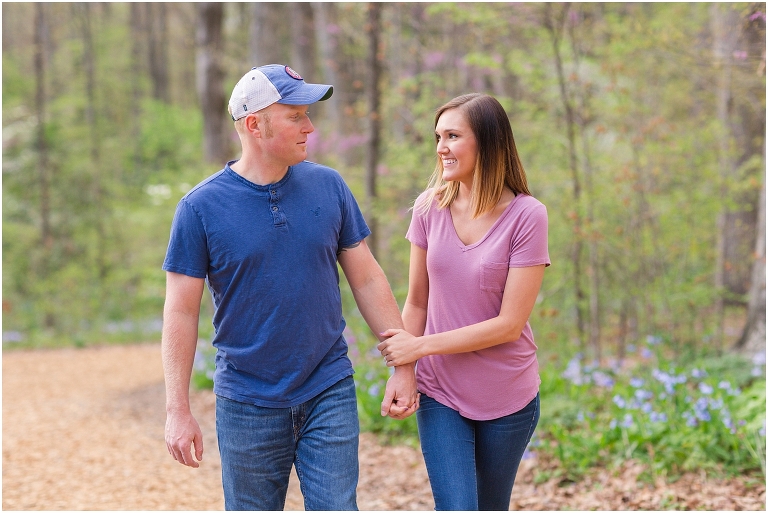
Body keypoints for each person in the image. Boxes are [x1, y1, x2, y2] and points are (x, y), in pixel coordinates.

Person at [161, 64, 417, 511]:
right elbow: (180, 311)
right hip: (246, 400)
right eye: (295, 116)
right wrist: (177, 410)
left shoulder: (328, 185)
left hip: (328, 386)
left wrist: (403, 364)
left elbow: (367, 277)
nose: (309, 127)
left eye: (307, 115)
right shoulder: (200, 208)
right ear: (254, 125)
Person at [377, 93, 550, 511]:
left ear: (488, 142)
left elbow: (509, 324)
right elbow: (417, 302)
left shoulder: (528, 216)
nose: (441, 148)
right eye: (438, 137)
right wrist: (404, 370)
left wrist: (420, 346)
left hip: (508, 394)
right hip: (440, 392)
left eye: (453, 136)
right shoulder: (429, 207)